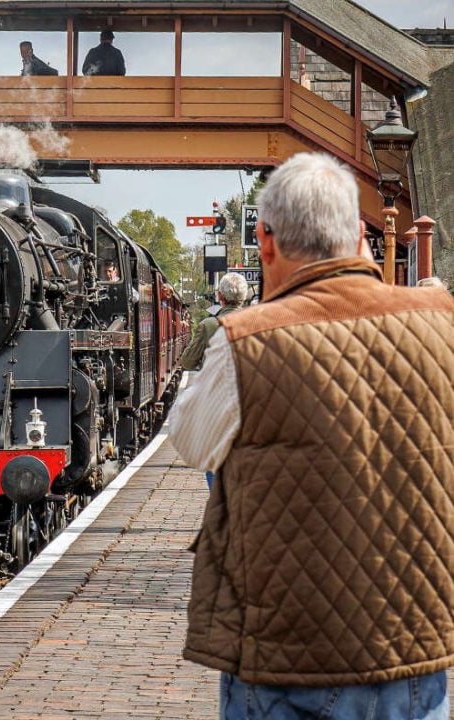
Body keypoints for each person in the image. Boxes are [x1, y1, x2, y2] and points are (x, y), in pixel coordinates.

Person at [171, 153, 454, 719]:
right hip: (416, 650)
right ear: (360, 238)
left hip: (287, 656)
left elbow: (190, 440)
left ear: (264, 242)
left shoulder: (245, 340)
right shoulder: (441, 319)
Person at [177, 272, 248, 488]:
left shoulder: (209, 325)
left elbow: (187, 362)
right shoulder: (259, 320)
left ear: (220, 297)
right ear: (243, 298)